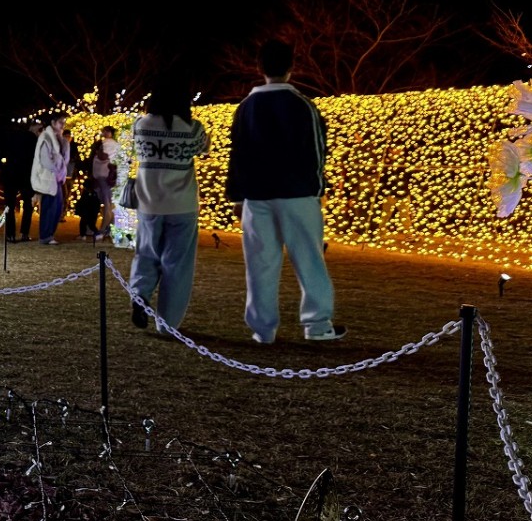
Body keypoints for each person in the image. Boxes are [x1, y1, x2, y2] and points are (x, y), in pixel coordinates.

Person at [225, 39, 346, 343]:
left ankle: (263, 329)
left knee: (260, 264)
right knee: (309, 260)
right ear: (292, 66)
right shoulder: (302, 104)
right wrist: (317, 188)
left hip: (257, 195)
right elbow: (317, 151)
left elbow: (237, 154)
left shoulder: (246, 107)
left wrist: (237, 196)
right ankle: (317, 324)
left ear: (260, 67)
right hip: (297, 194)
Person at [126, 70, 210, 333]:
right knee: (177, 265)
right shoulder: (193, 128)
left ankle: (140, 295)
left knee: (146, 253)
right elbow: (204, 149)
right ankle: (167, 324)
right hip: (183, 204)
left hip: (149, 202)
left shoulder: (141, 125)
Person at [3, 118, 43, 242]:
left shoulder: (9, 136)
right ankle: (24, 232)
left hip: (11, 173)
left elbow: (2, 153)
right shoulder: (32, 138)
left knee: (9, 205)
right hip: (26, 174)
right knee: (27, 205)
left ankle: (10, 234)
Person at [30, 112, 67, 245]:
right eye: (60, 122)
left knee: (56, 207)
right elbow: (45, 159)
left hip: (55, 177)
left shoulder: (57, 138)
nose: (63, 125)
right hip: (49, 177)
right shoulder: (46, 137)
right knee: (50, 207)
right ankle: (46, 235)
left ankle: (48, 234)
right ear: (53, 123)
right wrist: (56, 170)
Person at [90, 125, 120, 242]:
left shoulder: (107, 144)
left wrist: (98, 152)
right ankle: (110, 230)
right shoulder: (115, 144)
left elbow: (104, 157)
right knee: (110, 204)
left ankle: (103, 230)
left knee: (108, 204)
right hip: (108, 177)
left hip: (105, 176)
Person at [61, 128, 77, 219]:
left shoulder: (73, 147)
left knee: (66, 195)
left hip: (70, 174)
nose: (67, 138)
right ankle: (60, 213)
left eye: (69, 136)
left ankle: (62, 213)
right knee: (63, 194)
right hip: (62, 174)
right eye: (65, 136)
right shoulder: (60, 147)